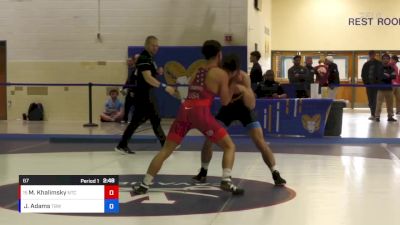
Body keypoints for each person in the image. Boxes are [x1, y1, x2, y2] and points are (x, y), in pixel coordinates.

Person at [132, 40, 244, 195]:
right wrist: (232, 83)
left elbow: (189, 89)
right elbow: (225, 101)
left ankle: (144, 184)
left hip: (186, 109)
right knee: (229, 146)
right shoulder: (220, 74)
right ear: (219, 54)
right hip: (200, 112)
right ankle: (226, 180)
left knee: (166, 150)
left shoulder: (198, 70)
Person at [192, 66, 287, 186]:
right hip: (227, 108)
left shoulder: (244, 78)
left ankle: (275, 173)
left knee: (260, 141)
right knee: (209, 138)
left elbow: (252, 104)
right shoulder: (222, 79)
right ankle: (203, 171)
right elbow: (223, 101)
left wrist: (244, 90)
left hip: (244, 109)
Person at [115, 36, 176, 154]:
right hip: (144, 94)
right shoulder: (144, 58)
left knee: (142, 120)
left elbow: (150, 74)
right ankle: (165, 145)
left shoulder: (149, 58)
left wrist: (157, 72)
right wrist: (164, 87)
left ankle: (122, 145)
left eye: (157, 45)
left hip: (146, 93)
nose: (156, 48)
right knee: (154, 118)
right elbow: (147, 78)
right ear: (147, 45)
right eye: (154, 45)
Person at [375, 53, 397, 122]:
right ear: (382, 60)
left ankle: (390, 116)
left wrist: (388, 76)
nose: (386, 60)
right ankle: (377, 116)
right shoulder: (379, 68)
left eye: (387, 59)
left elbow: (394, 76)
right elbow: (379, 77)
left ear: (389, 60)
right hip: (381, 89)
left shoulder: (391, 68)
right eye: (384, 59)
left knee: (390, 103)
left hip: (389, 88)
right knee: (379, 103)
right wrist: (387, 76)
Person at [361, 50, 382, 120]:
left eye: (373, 54)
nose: (372, 56)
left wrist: (379, 83)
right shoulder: (366, 64)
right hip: (369, 86)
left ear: (375, 55)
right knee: (370, 100)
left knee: (376, 100)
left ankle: (376, 114)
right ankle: (372, 114)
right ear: (369, 55)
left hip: (376, 86)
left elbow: (381, 74)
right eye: (370, 55)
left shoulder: (379, 63)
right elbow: (363, 75)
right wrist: (366, 83)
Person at [121, 54, 140, 123]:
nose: (128, 62)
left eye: (130, 61)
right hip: (130, 89)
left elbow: (136, 80)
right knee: (127, 104)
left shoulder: (139, 68)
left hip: (136, 90)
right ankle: (125, 118)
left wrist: (133, 90)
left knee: (136, 106)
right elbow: (129, 79)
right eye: (127, 61)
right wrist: (124, 87)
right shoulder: (131, 69)